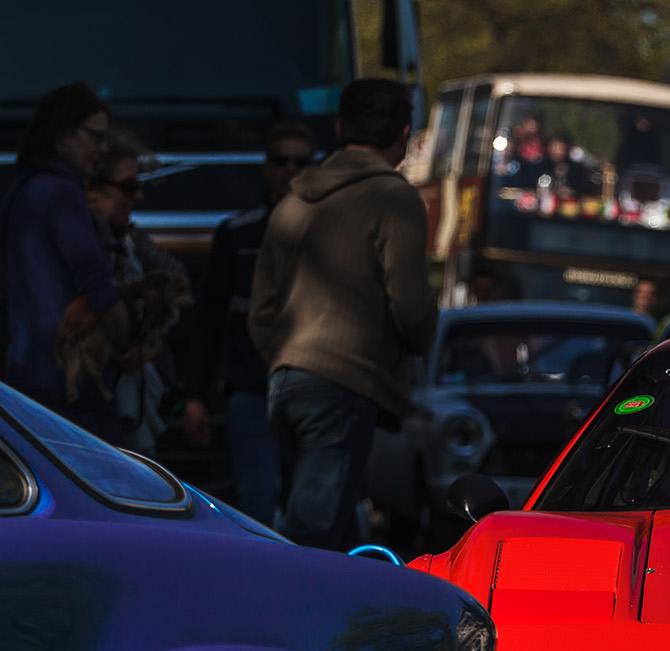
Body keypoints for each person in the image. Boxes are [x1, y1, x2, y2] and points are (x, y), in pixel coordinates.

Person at [249, 79, 436, 550]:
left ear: (338, 127)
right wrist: (419, 339)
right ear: (406, 134)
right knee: (314, 534)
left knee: (320, 521)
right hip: (344, 382)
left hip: (287, 380)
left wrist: (286, 358)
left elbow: (261, 310)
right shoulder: (394, 199)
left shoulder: (293, 200)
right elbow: (411, 304)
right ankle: (279, 621)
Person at [191, 121, 317, 524]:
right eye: (281, 161)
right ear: (266, 167)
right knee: (256, 503)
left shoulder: (330, 234)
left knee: (314, 508)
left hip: (315, 388)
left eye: (300, 161)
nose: (290, 169)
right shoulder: (238, 233)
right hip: (252, 388)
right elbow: (209, 317)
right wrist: (195, 394)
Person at [0, 82, 129, 440]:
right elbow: (96, 282)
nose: (102, 150)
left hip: (26, 377)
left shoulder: (22, 189)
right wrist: (127, 340)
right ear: (61, 135)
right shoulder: (61, 192)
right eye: (95, 137)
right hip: (69, 383)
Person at [84, 130, 202, 457]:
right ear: (91, 190)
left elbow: (178, 279)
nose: (138, 198)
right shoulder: (80, 250)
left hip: (134, 403)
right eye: (128, 187)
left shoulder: (129, 242)